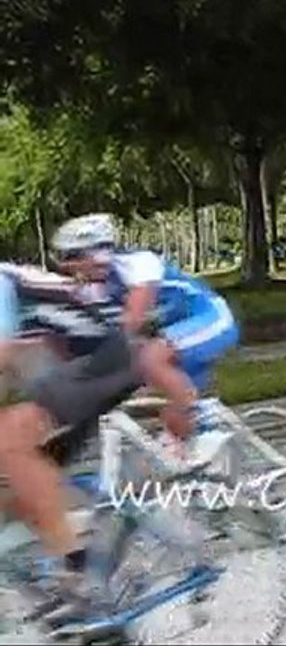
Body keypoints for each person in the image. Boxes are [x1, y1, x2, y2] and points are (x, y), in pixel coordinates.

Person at [0, 262, 143, 621]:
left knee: (10, 440)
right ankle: (90, 597)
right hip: (75, 370)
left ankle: (80, 580)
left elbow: (3, 354)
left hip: (103, 360)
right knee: (19, 486)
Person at [51, 213, 238, 468]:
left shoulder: (138, 264)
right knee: (172, 415)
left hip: (211, 319)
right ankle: (198, 474)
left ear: (97, 252)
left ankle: (204, 426)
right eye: (63, 260)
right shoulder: (97, 289)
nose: (68, 267)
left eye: (72, 257)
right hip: (177, 334)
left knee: (150, 357)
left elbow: (132, 320)